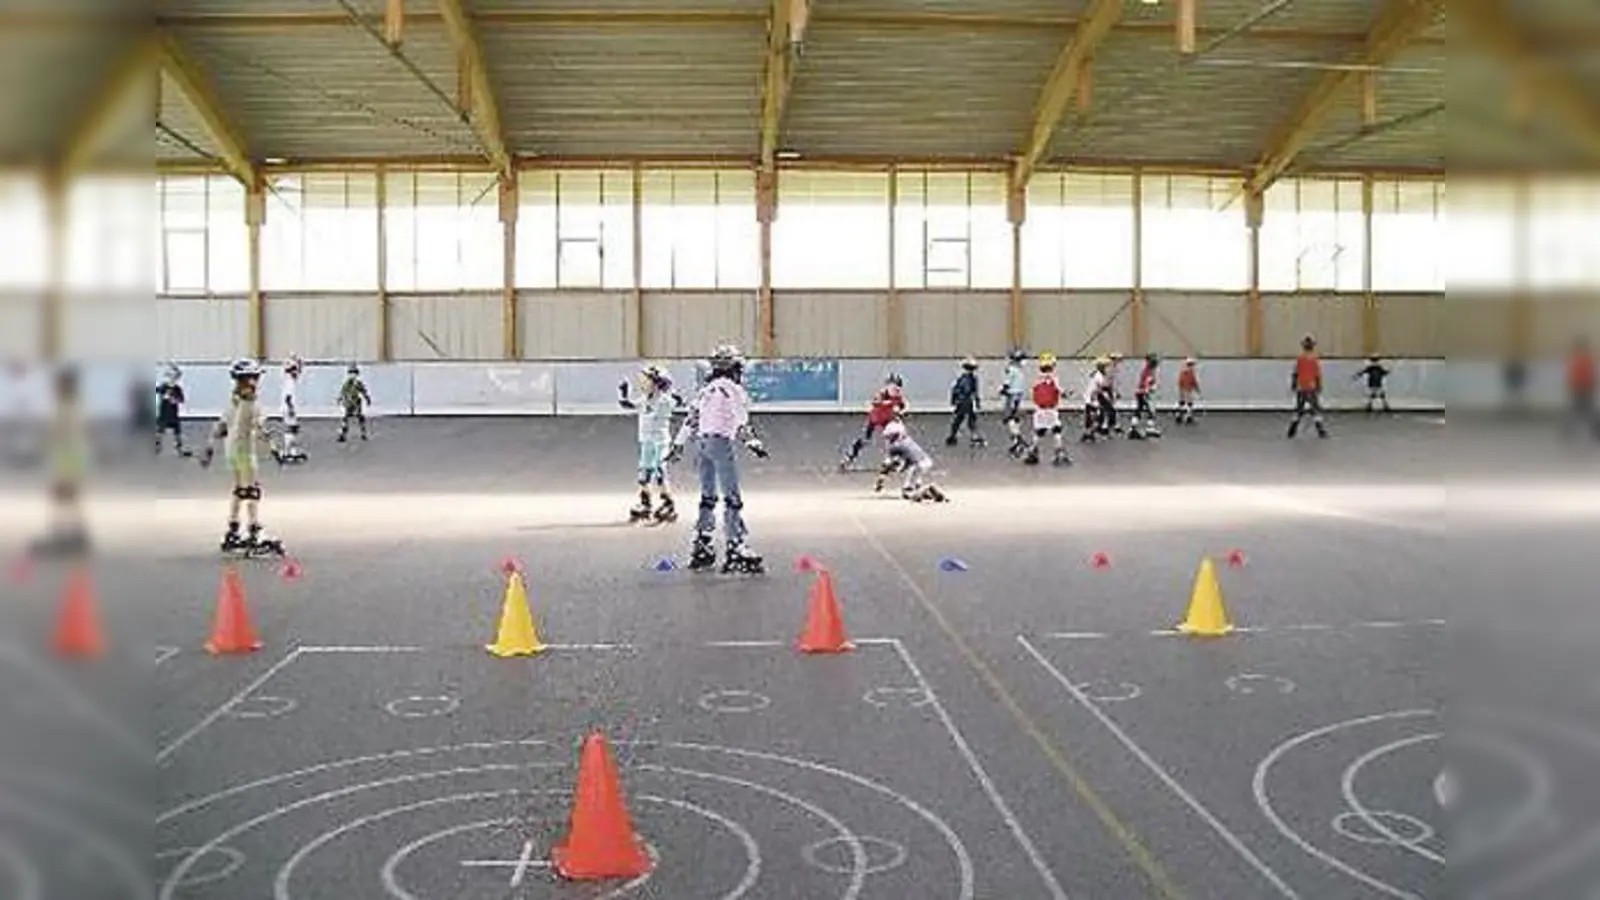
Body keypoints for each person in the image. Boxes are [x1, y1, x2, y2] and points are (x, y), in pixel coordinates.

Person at [673, 345, 769, 573]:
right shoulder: (734, 390)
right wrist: (752, 442)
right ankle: (735, 544)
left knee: (708, 496)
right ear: (735, 369)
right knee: (732, 497)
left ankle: (702, 542)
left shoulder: (705, 390)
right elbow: (741, 419)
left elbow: (692, 419)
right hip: (720, 443)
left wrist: (677, 445)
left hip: (701, 444)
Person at [200, 359, 283, 555]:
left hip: (232, 449)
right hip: (245, 450)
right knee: (252, 490)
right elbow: (261, 428)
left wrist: (210, 446)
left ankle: (233, 528)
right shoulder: (250, 402)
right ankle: (254, 530)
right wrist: (274, 449)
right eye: (254, 378)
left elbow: (221, 425)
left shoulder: (234, 401)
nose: (257, 382)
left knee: (240, 489)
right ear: (248, 380)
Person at [31, 366, 91, 557]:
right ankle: (71, 533)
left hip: (67, 458)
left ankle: (67, 534)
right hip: (68, 457)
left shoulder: (67, 407)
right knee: (66, 498)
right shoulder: (71, 406)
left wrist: (46, 443)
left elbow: (62, 433)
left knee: (63, 496)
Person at [619, 364, 682, 523]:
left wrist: (672, 394)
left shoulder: (664, 400)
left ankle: (668, 502)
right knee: (644, 473)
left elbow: (677, 401)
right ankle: (645, 502)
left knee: (660, 471)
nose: (643, 384)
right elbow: (628, 405)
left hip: (660, 441)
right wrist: (623, 393)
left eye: (647, 381)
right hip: (646, 441)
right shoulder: (645, 399)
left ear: (657, 384)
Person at [841, 373, 907, 470]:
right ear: (888, 386)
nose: (895, 391)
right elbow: (875, 402)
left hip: (888, 420)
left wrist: (901, 412)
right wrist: (885, 403)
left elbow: (904, 406)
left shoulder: (898, 397)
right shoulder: (882, 394)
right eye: (893, 388)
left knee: (894, 437)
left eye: (898, 389)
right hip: (875, 418)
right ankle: (849, 457)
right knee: (865, 440)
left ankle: (891, 459)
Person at [875, 421, 947, 503]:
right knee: (914, 480)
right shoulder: (907, 440)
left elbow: (888, 464)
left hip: (917, 465)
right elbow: (908, 458)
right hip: (925, 461)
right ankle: (926, 490)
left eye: (890, 436)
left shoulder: (896, 446)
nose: (888, 438)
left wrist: (880, 480)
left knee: (908, 492)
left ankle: (929, 490)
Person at [1025, 352, 1071, 466]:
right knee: (1056, 430)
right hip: (1051, 409)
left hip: (1039, 410)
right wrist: (1066, 393)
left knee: (1039, 432)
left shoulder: (1037, 379)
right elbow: (1060, 390)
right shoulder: (1054, 378)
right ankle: (1059, 452)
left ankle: (1033, 452)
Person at [1287, 334, 1329, 439]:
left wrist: (1294, 384)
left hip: (1301, 387)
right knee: (1315, 409)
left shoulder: (1300, 359)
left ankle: (1292, 430)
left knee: (1299, 409)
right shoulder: (1314, 359)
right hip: (1311, 387)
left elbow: (1295, 372)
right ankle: (1321, 431)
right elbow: (1317, 374)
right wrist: (1319, 385)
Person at [272, 354, 308, 464]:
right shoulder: (290, 382)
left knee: (293, 430)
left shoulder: (289, 380)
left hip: (287, 407)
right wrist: (291, 409)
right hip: (288, 408)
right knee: (291, 429)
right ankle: (287, 452)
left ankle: (292, 450)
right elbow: (288, 398)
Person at [945, 356, 985, 447]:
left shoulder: (964, 378)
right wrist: (977, 401)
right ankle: (972, 436)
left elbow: (956, 390)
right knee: (967, 419)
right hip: (966, 400)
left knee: (960, 419)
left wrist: (954, 400)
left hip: (963, 400)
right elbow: (972, 391)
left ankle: (954, 436)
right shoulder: (970, 379)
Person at [154, 363, 189, 456]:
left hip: (173, 414)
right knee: (159, 431)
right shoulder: (163, 387)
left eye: (175, 377)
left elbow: (181, 399)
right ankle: (156, 447)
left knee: (177, 432)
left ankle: (179, 449)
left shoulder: (177, 389)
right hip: (164, 413)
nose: (173, 379)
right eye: (172, 376)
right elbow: (157, 390)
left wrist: (174, 400)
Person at [999, 348, 1027, 456]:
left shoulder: (1011, 369)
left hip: (1012, 395)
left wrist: (1002, 390)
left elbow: (1007, 383)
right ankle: (1016, 440)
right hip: (1018, 395)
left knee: (1009, 418)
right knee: (1014, 417)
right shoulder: (1019, 370)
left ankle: (1017, 438)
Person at [1567, 337, 1596, 440]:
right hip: (1580, 389)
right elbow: (1574, 375)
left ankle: (1593, 432)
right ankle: (1570, 432)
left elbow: (1591, 375)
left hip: (1585, 389)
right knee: (1577, 412)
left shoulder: (1586, 360)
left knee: (1586, 412)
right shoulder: (1577, 360)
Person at [1128, 353, 1162, 440]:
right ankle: (1149, 429)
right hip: (1144, 393)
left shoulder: (1148, 370)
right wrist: (1148, 390)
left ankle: (1133, 428)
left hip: (1141, 392)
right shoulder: (1148, 371)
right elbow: (1147, 382)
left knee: (1139, 410)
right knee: (1150, 411)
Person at [1081, 356, 1115, 442]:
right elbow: (1103, 387)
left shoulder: (1097, 374)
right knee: (1097, 417)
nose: (1109, 369)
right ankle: (1089, 433)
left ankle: (1089, 433)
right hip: (1092, 399)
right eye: (1107, 367)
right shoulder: (1099, 376)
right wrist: (1108, 395)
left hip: (1092, 398)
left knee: (1095, 416)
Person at [336, 364, 373, 442]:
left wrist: (367, 399)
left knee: (359, 417)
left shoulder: (358, 383)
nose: (352, 375)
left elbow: (363, 391)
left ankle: (363, 433)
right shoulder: (347, 383)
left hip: (356, 402)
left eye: (354, 373)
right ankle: (343, 435)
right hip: (348, 402)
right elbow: (343, 392)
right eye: (351, 372)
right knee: (345, 418)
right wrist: (340, 399)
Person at [1176, 358, 1201, 426]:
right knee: (1188, 403)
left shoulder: (1185, 372)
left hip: (1185, 389)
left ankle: (1180, 416)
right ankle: (1187, 417)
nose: (1192, 366)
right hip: (1186, 389)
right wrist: (1197, 390)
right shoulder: (1188, 372)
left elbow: (1193, 382)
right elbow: (1193, 382)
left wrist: (1197, 389)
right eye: (1192, 365)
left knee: (1183, 403)